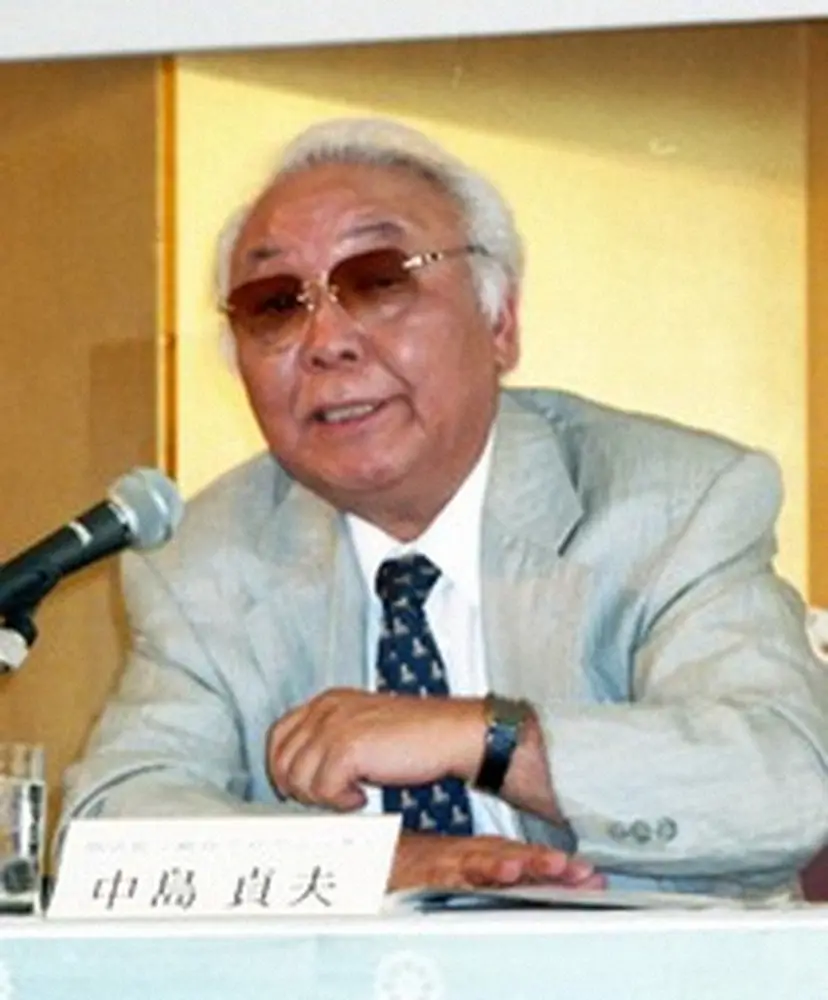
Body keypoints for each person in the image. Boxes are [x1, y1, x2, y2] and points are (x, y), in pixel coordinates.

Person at [60, 117, 828, 898]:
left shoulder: (672, 503)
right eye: (275, 303)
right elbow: (111, 828)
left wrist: (484, 735)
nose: (326, 341)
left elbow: (787, 782)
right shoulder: (203, 561)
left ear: (500, 324)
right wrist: (390, 863)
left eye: (379, 282)